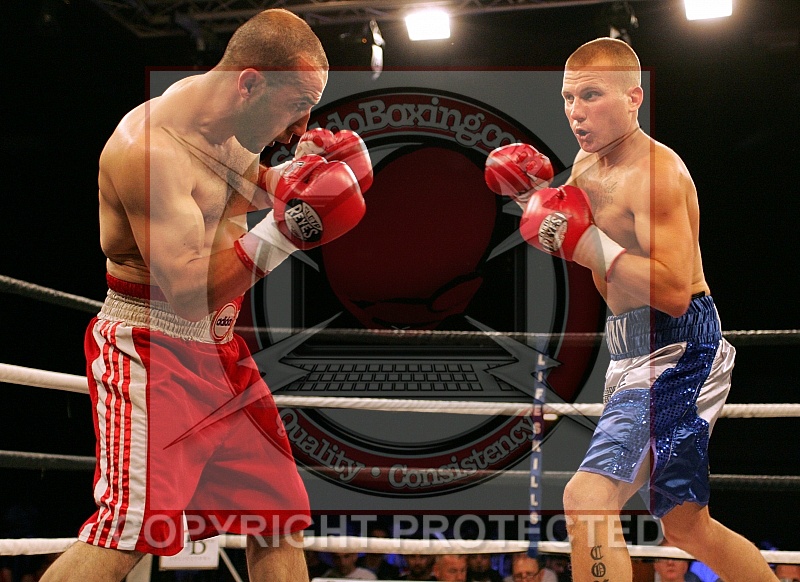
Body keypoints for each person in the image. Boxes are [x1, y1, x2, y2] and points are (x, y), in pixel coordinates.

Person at [41, 9, 371, 582]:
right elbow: (189, 292)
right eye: (298, 104)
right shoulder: (151, 151)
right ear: (250, 83)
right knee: (128, 530)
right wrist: (286, 231)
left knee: (278, 517)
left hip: (220, 354)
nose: (302, 124)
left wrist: (311, 173)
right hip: (151, 348)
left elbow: (247, 189)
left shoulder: (224, 125)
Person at [484, 37, 778, 582]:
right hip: (630, 349)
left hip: (678, 348)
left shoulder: (655, 174)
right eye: (569, 97)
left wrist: (586, 243)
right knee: (685, 525)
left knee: (588, 499)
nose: (575, 112)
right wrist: (535, 197)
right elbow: (572, 226)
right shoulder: (587, 162)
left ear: (633, 97)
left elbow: (673, 290)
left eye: (591, 95)